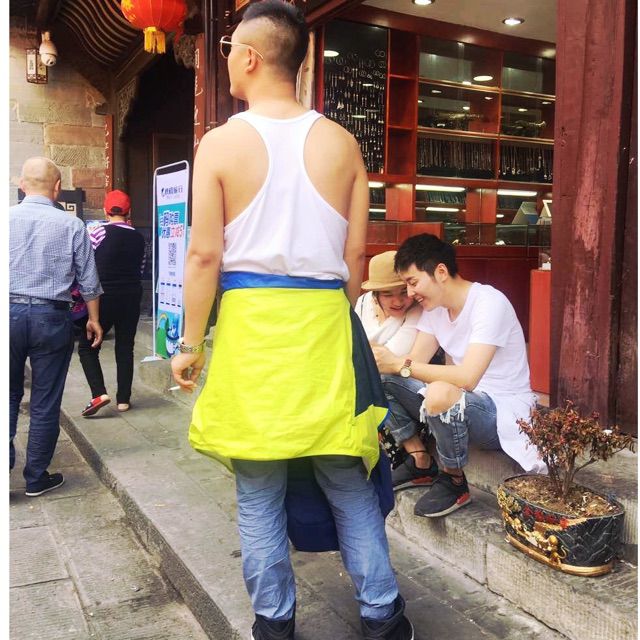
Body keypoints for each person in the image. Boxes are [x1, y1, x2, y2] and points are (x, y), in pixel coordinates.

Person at [170, 2, 413, 639]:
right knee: (347, 480)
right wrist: (329, 310)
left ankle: (274, 624)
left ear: (250, 57)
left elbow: (204, 256)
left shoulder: (219, 144)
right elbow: (356, 260)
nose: (225, 59)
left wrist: (188, 342)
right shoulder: (343, 143)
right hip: (326, 324)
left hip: (252, 328)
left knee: (258, 490)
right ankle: (383, 615)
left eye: (229, 49)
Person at [372, 233, 543, 517]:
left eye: (413, 282)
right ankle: (419, 459)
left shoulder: (489, 303)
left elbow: (467, 377)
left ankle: (453, 479)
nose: (410, 294)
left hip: (501, 412)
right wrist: (386, 362)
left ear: (440, 272)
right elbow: (414, 363)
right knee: (380, 377)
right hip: (463, 401)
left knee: (440, 391)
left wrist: (400, 364)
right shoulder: (435, 310)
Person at [10, 157, 103, 496]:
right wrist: (94, 319)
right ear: (58, 188)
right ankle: (36, 477)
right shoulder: (72, 225)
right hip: (52, 316)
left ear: (22, 185)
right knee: (45, 400)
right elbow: (89, 281)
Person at [78, 190, 146, 416]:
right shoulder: (139, 238)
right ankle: (123, 400)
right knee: (125, 346)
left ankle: (99, 393)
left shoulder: (97, 232)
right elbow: (141, 268)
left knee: (88, 346)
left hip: (103, 296)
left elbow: (85, 264)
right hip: (131, 296)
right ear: (129, 212)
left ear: (105, 211)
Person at [356, 251, 421, 357]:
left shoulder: (419, 309)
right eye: (388, 295)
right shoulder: (361, 303)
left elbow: (395, 353)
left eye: (404, 292)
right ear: (375, 294)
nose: (398, 302)